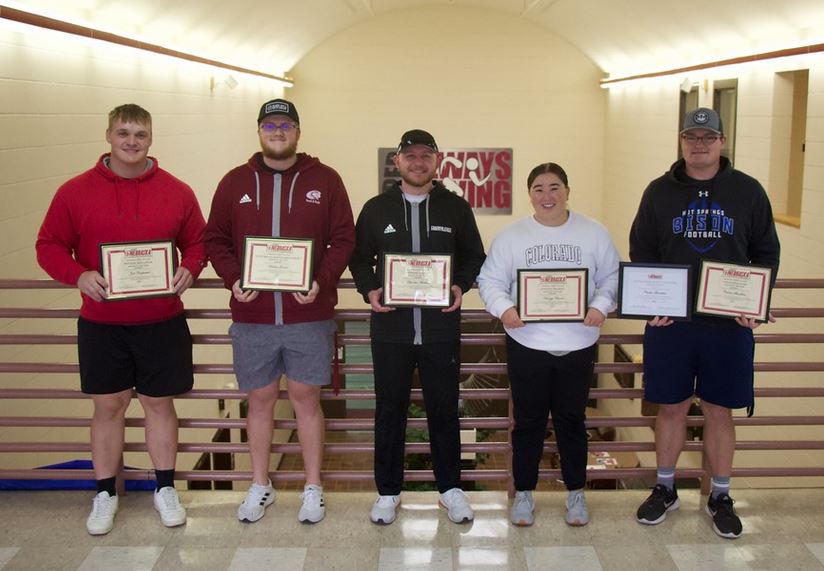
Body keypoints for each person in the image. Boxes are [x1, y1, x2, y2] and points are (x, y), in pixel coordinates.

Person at [35, 104, 207, 536]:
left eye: (141, 134)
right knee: (107, 407)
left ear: (151, 138)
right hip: (101, 323)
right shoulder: (74, 192)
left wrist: (192, 266)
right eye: (124, 133)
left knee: (158, 404)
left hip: (162, 319)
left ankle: (166, 489)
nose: (132, 141)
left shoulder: (178, 191)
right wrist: (79, 274)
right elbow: (49, 245)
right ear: (108, 136)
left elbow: (198, 242)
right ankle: (105, 493)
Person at [630, 107, 780, 539]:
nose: (699, 144)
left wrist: (757, 301)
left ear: (722, 142)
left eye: (707, 137)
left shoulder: (748, 191)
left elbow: (766, 254)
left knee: (719, 410)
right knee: (671, 407)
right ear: (681, 141)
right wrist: (648, 302)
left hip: (728, 324)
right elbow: (642, 251)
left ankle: (720, 495)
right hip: (670, 323)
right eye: (691, 137)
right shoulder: (658, 191)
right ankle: (664, 488)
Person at [204, 98, 355, 525]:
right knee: (260, 400)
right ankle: (260, 484)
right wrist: (234, 278)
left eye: (285, 124)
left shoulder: (325, 180)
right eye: (270, 124)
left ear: (298, 131)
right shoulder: (235, 182)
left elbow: (344, 239)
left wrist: (321, 280)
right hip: (253, 319)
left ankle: (313, 488)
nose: (277, 131)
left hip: (309, 315)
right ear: (258, 131)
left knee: (307, 400)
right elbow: (214, 239)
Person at [349, 129, 486, 525]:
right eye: (410, 155)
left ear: (437, 162)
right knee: (389, 411)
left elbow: (474, 256)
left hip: (440, 328)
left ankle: (450, 490)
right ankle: (388, 493)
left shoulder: (455, 208)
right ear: (398, 161)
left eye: (426, 155)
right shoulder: (376, 209)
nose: (418, 162)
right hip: (390, 329)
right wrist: (370, 289)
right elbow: (358, 258)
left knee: (445, 411)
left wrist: (460, 285)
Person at [477, 162, 620, 527]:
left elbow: (613, 278)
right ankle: (523, 494)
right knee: (528, 423)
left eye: (554, 187)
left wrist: (599, 307)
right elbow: (490, 279)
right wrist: (505, 309)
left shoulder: (594, 233)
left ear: (568, 191)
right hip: (527, 342)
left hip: (578, 342)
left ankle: (576, 494)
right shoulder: (512, 236)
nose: (547, 196)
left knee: (572, 422)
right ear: (530, 195)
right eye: (539, 188)